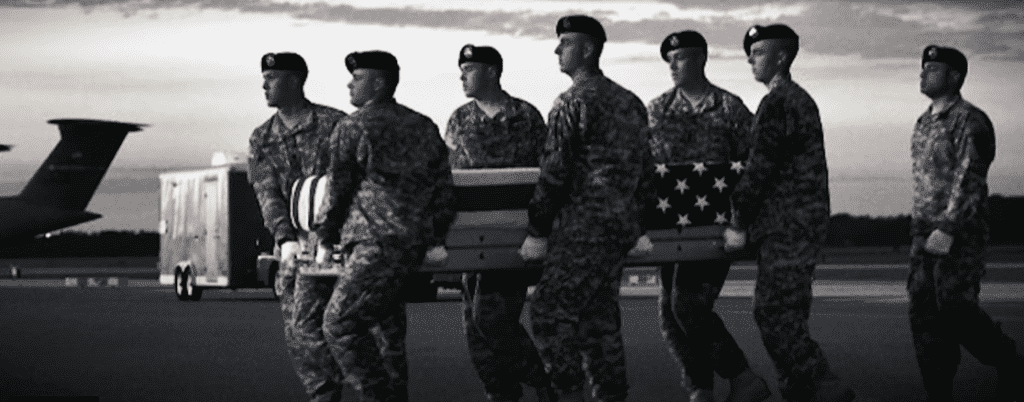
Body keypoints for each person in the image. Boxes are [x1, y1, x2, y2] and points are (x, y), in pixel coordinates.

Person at [518, 15, 653, 402]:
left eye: (566, 42)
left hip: (582, 227)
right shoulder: (631, 102)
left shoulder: (571, 102)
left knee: (547, 312)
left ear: (588, 49)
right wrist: (638, 224)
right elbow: (646, 171)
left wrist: (537, 229)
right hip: (619, 227)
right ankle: (611, 393)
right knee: (598, 318)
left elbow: (555, 173)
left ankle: (567, 393)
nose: (557, 50)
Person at [312, 50, 456, 402]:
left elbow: (338, 189)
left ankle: (376, 395)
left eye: (357, 78)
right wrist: (434, 236)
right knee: (387, 332)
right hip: (413, 245)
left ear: (378, 83)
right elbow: (443, 188)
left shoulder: (352, 127)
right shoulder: (423, 125)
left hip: (374, 242)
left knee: (340, 323)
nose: (349, 83)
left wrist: (325, 238)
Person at [723, 24, 856, 402]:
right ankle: (800, 391)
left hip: (788, 225)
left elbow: (760, 168)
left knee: (775, 315)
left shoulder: (779, 102)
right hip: (797, 223)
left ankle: (823, 387)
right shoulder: (797, 99)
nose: (750, 58)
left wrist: (737, 220)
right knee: (784, 315)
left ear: (781, 57)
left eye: (759, 51)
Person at [647, 30, 770, 402]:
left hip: (715, 227)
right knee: (670, 315)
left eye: (680, 57)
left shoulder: (729, 108)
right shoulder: (656, 110)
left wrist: (743, 222)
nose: (672, 65)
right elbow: (642, 168)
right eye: (668, 59)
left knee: (687, 305)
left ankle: (743, 377)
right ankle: (701, 385)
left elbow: (755, 165)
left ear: (700, 58)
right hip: (670, 227)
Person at [908, 44, 1023, 402]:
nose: (924, 73)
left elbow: (969, 175)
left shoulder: (971, 120)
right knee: (924, 316)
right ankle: (938, 391)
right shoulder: (924, 122)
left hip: (958, 234)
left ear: (955, 76)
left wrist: (949, 227)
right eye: (923, 67)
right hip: (923, 233)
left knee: (956, 309)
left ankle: (1009, 360)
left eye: (933, 68)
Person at [444, 44, 556, 402]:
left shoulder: (526, 116)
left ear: (491, 71)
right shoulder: (459, 120)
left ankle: (545, 382)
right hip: (469, 238)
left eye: (469, 68)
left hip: (513, 237)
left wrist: (542, 231)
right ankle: (500, 393)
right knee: (474, 331)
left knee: (490, 319)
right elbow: (450, 178)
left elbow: (547, 175)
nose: (462, 75)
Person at [246, 52, 348, 402]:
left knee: (348, 327)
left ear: (295, 81)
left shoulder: (336, 124)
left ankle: (364, 385)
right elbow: (266, 191)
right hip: (293, 246)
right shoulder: (262, 137)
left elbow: (349, 183)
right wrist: (285, 238)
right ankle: (325, 394)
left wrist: (328, 234)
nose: (264, 85)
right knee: (299, 332)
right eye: (264, 78)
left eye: (272, 78)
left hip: (339, 243)